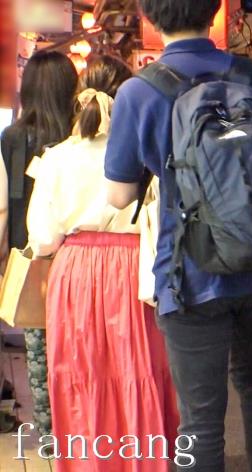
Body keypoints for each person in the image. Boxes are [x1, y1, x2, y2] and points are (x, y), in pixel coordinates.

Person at [104, 1, 252, 470]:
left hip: (191, 274)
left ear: (150, 18)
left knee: (201, 421)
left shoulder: (139, 91)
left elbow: (118, 195)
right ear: (215, 11)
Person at [26, 54, 179, 471]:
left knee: (81, 376)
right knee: (139, 371)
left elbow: (43, 238)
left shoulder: (57, 157)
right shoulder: (145, 153)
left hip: (74, 272)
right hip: (133, 269)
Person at [0, 50, 78, 441]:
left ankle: (50, 436)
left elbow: (6, 203)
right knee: (78, 347)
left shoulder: (12, 138)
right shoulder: (80, 133)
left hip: (29, 256)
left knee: (39, 350)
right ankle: (81, 429)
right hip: (78, 256)